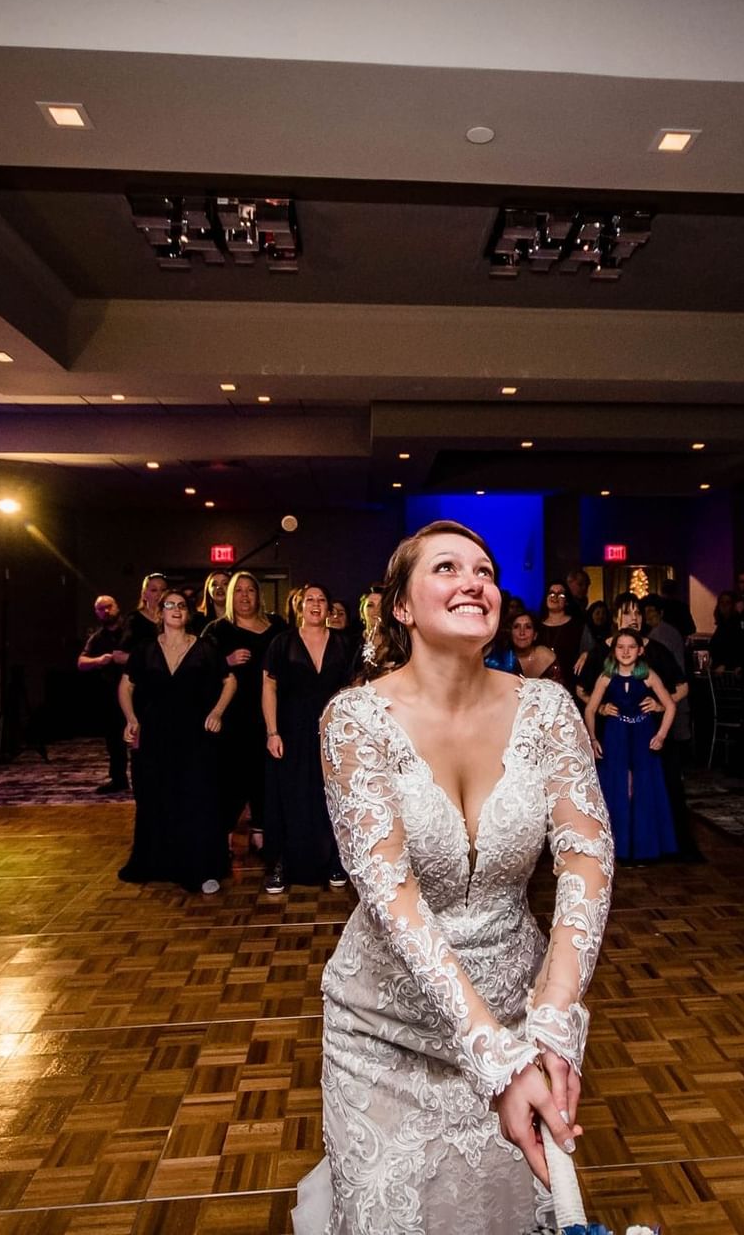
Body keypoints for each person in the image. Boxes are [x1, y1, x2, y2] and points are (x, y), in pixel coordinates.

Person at [291, 521, 612, 1234]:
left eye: (486, 571)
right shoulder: (354, 720)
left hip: (517, 1011)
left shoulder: (549, 708)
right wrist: (490, 1055)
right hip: (385, 1028)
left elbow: (587, 859)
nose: (475, 581)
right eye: (447, 567)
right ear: (400, 607)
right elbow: (389, 894)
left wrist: (553, 1020)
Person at [117, 590, 236, 891]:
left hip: (195, 734)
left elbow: (230, 680)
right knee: (158, 796)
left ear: (187, 613)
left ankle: (202, 868)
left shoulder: (205, 647)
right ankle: (160, 863)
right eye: (169, 605)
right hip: (156, 734)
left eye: (181, 606)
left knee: (197, 798)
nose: (176, 610)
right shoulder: (145, 649)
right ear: (159, 613)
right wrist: (131, 719)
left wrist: (217, 712)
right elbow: (125, 686)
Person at [262, 583, 355, 893]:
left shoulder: (344, 643)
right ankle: (282, 864)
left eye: (322, 599)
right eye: (310, 599)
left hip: (333, 732)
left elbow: (354, 690)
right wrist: (272, 731)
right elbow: (269, 689)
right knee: (289, 797)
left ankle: (335, 861)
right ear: (298, 605)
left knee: (331, 799)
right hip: (291, 731)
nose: (316, 604)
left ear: (329, 608)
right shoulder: (281, 643)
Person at [203, 571, 284, 850]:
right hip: (233, 717)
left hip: (270, 714)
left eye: (251, 590)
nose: (245, 596)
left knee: (266, 775)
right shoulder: (217, 630)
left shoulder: (277, 627)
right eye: (239, 590)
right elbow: (199, 669)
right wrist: (226, 660)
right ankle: (222, 834)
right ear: (230, 596)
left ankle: (262, 832)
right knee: (230, 776)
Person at [584, 629, 677, 862]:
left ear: (641, 650)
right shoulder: (606, 676)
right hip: (616, 734)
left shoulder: (647, 675)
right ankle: (618, 846)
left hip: (642, 734)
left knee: (642, 786)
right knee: (618, 786)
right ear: (613, 651)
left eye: (631, 647)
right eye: (620, 647)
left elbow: (670, 705)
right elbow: (590, 709)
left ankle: (643, 846)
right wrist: (593, 739)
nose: (626, 652)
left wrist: (662, 735)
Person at [75, 594, 132, 793]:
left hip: (136, 691)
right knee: (114, 740)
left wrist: (126, 659)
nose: (106, 611)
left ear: (117, 606)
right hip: (110, 695)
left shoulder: (131, 632)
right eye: (101, 609)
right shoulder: (98, 638)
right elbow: (81, 662)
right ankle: (118, 779)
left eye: (109, 607)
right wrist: (100, 660)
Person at [537, 580, 590, 685]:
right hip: (542, 687)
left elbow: (591, 650)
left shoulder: (578, 626)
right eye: (551, 593)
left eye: (560, 594)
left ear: (567, 601)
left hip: (571, 684)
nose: (555, 597)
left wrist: (587, 654)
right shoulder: (536, 626)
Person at [354, 584, 384, 677]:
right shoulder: (351, 644)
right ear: (362, 612)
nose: (377, 610)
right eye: (370, 605)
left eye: (381, 605)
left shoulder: (399, 643)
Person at [190, 569, 230, 635]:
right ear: (208, 590)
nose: (219, 587)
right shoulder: (197, 620)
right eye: (214, 584)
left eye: (225, 583)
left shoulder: (241, 618)